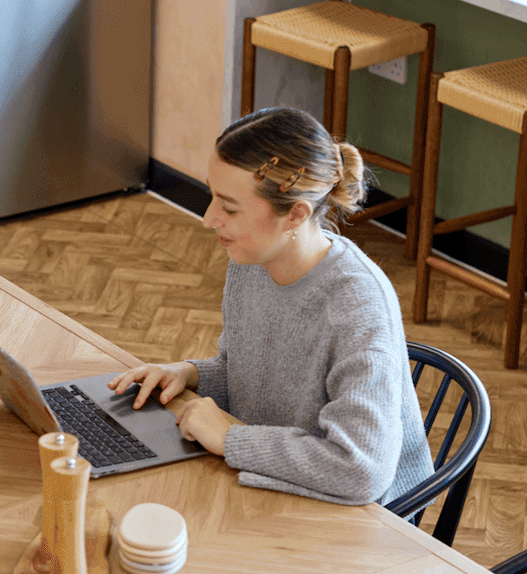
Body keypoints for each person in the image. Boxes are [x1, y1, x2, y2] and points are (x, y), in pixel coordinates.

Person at [108, 108, 432, 507]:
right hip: (282, 481)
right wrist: (191, 374)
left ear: (296, 214)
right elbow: (249, 373)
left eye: (229, 208)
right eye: (212, 196)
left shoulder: (358, 307)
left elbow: (361, 469)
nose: (208, 219)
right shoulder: (252, 260)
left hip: (366, 524)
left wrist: (230, 439)